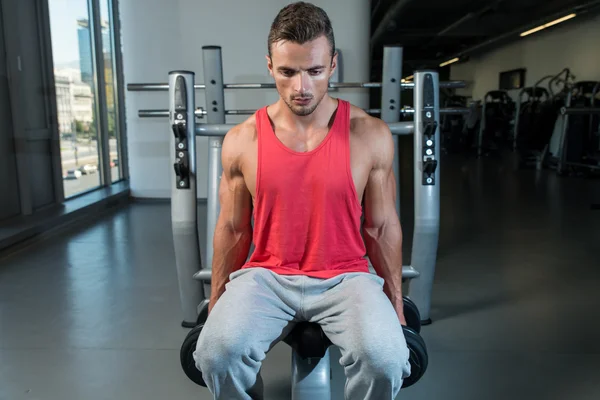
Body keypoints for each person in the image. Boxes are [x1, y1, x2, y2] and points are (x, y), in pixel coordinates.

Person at [194, 2, 411, 399]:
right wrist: (215, 304)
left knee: (387, 358)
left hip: (346, 276)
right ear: (270, 66)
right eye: (287, 72)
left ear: (332, 64)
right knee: (214, 353)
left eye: (313, 70)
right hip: (267, 276)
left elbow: (380, 227)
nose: (301, 87)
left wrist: (396, 306)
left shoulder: (369, 134)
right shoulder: (244, 140)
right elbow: (232, 227)